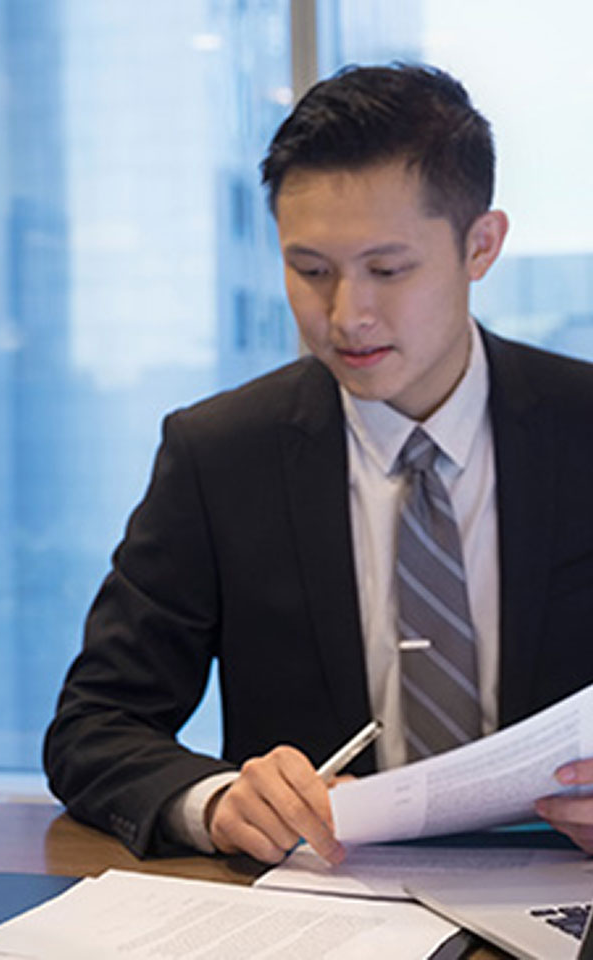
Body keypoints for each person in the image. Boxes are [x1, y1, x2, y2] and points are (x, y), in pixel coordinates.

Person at [44, 63, 593, 867]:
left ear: (482, 245)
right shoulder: (220, 453)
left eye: (387, 269)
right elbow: (95, 725)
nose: (346, 316)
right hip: (324, 912)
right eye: (311, 272)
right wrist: (217, 802)